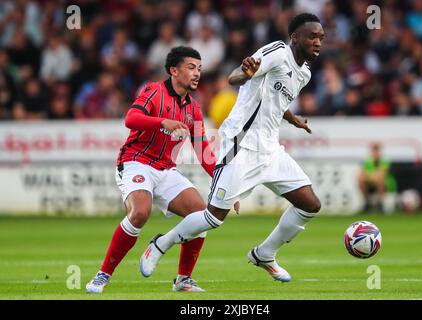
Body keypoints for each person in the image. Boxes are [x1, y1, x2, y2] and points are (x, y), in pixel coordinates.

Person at [140, 13, 324, 283]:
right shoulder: (277, 52)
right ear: (295, 38)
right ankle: (160, 244)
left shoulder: (304, 73)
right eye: (312, 36)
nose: (318, 42)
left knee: (310, 205)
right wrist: (244, 72)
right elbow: (236, 77)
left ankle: (265, 254)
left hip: (270, 149)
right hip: (241, 142)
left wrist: (292, 118)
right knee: (214, 217)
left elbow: (275, 99)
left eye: (321, 37)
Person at [86, 46, 232, 293]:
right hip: (135, 161)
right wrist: (161, 121)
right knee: (140, 213)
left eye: (199, 68)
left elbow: (204, 153)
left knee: (201, 215)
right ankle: (102, 275)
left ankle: (183, 279)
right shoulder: (154, 91)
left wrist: (226, 184)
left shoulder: (193, 109)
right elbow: (130, 119)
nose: (197, 73)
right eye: (191, 67)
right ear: (173, 70)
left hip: (165, 169)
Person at [358, 142, 397, 212]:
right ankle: (367, 203)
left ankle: (381, 204)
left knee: (380, 181)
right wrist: (372, 176)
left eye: (377, 150)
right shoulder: (368, 162)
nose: (375, 152)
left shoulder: (385, 162)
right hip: (372, 183)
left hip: (387, 184)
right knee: (361, 180)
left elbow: (381, 175)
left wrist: (369, 176)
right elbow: (362, 175)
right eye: (373, 150)